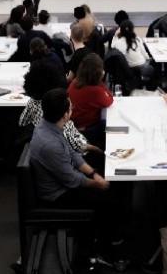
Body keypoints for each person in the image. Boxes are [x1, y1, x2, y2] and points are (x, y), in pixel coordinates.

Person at [29, 88, 127, 257]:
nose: (73, 107)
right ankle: (107, 245)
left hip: (64, 177)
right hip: (58, 194)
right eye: (70, 107)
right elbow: (73, 181)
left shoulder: (50, 126)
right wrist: (98, 183)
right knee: (110, 200)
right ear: (65, 114)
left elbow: (73, 155)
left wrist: (94, 172)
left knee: (104, 166)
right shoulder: (50, 144)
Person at [20, 61, 100, 155]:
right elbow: (79, 146)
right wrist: (98, 149)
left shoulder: (32, 101)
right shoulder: (59, 111)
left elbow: (22, 122)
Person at [68, 54, 113, 149]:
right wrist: (100, 81)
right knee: (110, 124)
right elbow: (109, 100)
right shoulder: (95, 90)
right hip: (87, 129)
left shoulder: (75, 81)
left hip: (74, 125)